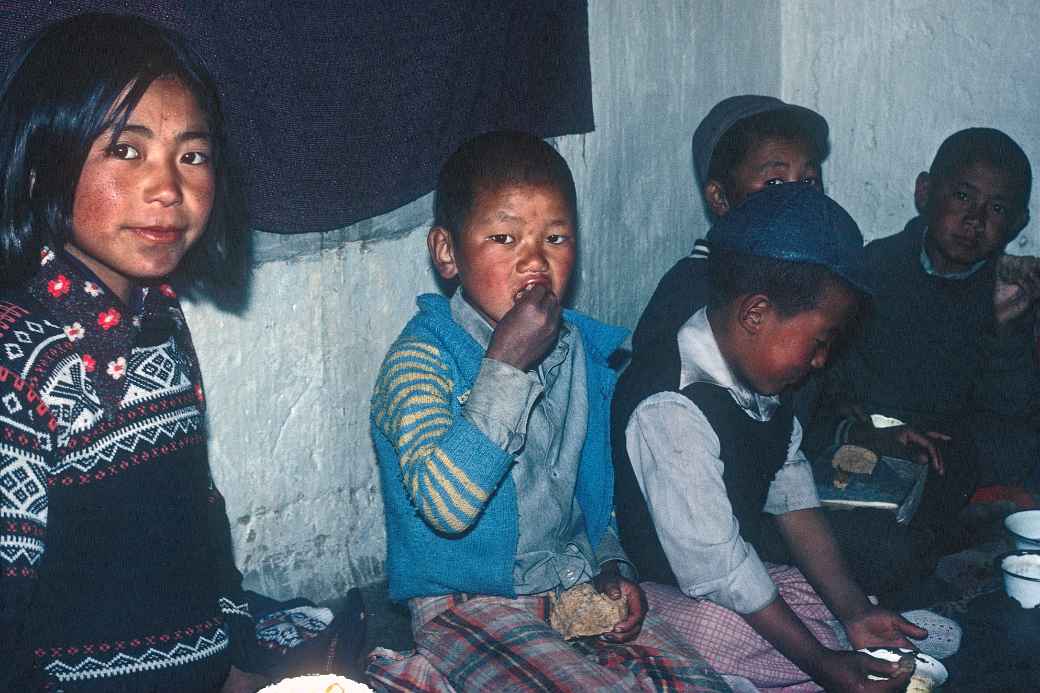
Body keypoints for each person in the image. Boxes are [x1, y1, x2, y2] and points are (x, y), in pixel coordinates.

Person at [0, 14, 362, 692]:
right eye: (127, 151)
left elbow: (193, 518)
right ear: (43, 163)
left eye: (191, 155)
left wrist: (231, 663)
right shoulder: (20, 366)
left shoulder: (159, 320)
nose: (168, 187)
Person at [366, 131, 729, 692]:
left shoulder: (579, 350)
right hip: (466, 602)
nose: (534, 260)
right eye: (505, 237)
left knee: (695, 683)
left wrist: (612, 567)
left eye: (555, 237)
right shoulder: (419, 362)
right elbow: (446, 507)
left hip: (567, 586)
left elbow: (594, 498)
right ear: (447, 252)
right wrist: (505, 366)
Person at [617, 183, 941, 692]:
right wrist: (823, 663)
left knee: (833, 602)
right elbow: (721, 570)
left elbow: (791, 497)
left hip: (733, 566)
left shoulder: (758, 372)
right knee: (729, 631)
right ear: (756, 314)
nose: (820, 362)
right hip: (659, 589)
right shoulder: (672, 406)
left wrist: (854, 612)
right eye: (819, 342)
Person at [804, 128, 1040, 542]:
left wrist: (1006, 329)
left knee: (1006, 450)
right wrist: (873, 430)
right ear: (925, 192)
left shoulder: (1012, 291)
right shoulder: (870, 270)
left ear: (1017, 223)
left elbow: (1012, 413)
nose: (975, 220)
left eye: (997, 208)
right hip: (872, 433)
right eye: (963, 196)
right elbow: (828, 379)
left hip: (948, 450)